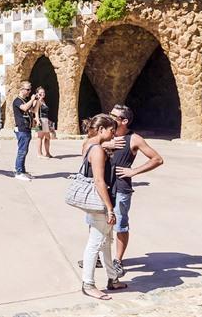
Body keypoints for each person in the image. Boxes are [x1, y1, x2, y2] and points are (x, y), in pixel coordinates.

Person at [106, 104, 164, 276]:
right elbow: (86, 148)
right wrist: (106, 143)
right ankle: (102, 257)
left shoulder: (134, 139)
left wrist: (134, 171)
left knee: (121, 225)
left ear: (124, 121)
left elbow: (157, 159)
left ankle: (117, 260)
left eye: (113, 116)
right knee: (99, 222)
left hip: (121, 188)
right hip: (103, 186)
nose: (109, 118)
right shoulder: (106, 134)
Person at [79, 114, 128, 300]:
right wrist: (109, 208)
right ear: (101, 130)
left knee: (106, 241)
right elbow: (99, 180)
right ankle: (88, 283)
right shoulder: (98, 150)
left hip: (95, 201)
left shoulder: (88, 144)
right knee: (96, 243)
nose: (113, 134)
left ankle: (112, 279)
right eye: (111, 130)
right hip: (100, 201)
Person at [13, 81, 38, 181]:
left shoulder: (24, 100)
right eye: (27, 89)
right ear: (21, 89)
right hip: (21, 129)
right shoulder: (17, 101)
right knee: (22, 151)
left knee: (25, 150)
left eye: (30, 90)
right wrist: (32, 100)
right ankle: (18, 172)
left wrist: (37, 101)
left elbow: (32, 110)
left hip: (27, 129)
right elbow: (25, 108)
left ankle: (22, 171)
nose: (29, 92)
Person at [34, 86, 53, 158]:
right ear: (37, 93)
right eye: (41, 92)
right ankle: (39, 153)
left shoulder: (43, 101)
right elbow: (36, 112)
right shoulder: (38, 101)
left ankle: (47, 153)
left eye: (43, 92)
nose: (43, 93)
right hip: (40, 120)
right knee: (40, 137)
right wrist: (38, 121)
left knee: (47, 137)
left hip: (45, 120)